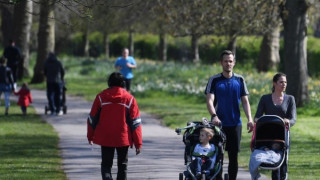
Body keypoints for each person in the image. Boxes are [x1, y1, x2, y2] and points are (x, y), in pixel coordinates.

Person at [205, 50, 254, 180]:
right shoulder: (214, 80)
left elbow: (245, 101)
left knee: (233, 157)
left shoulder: (240, 80)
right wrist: (214, 116)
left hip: (235, 124)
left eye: (231, 61)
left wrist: (249, 119)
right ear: (221, 63)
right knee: (217, 156)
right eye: (226, 61)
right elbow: (209, 100)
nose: (228, 63)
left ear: (234, 63)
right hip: (218, 125)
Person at [87, 72, 142, 180]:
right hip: (123, 138)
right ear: (123, 83)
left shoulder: (101, 97)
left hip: (106, 137)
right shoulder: (130, 99)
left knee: (106, 166)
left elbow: (92, 119)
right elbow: (135, 123)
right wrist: (138, 143)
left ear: (109, 83)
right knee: (122, 165)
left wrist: (90, 136)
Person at [254, 72, 296, 180]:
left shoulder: (290, 99)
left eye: (285, 82)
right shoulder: (265, 98)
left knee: (283, 161)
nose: (284, 84)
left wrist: (288, 121)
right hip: (268, 135)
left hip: (283, 135)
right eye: (281, 82)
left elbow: (293, 119)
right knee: (274, 162)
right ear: (274, 83)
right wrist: (258, 121)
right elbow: (257, 117)